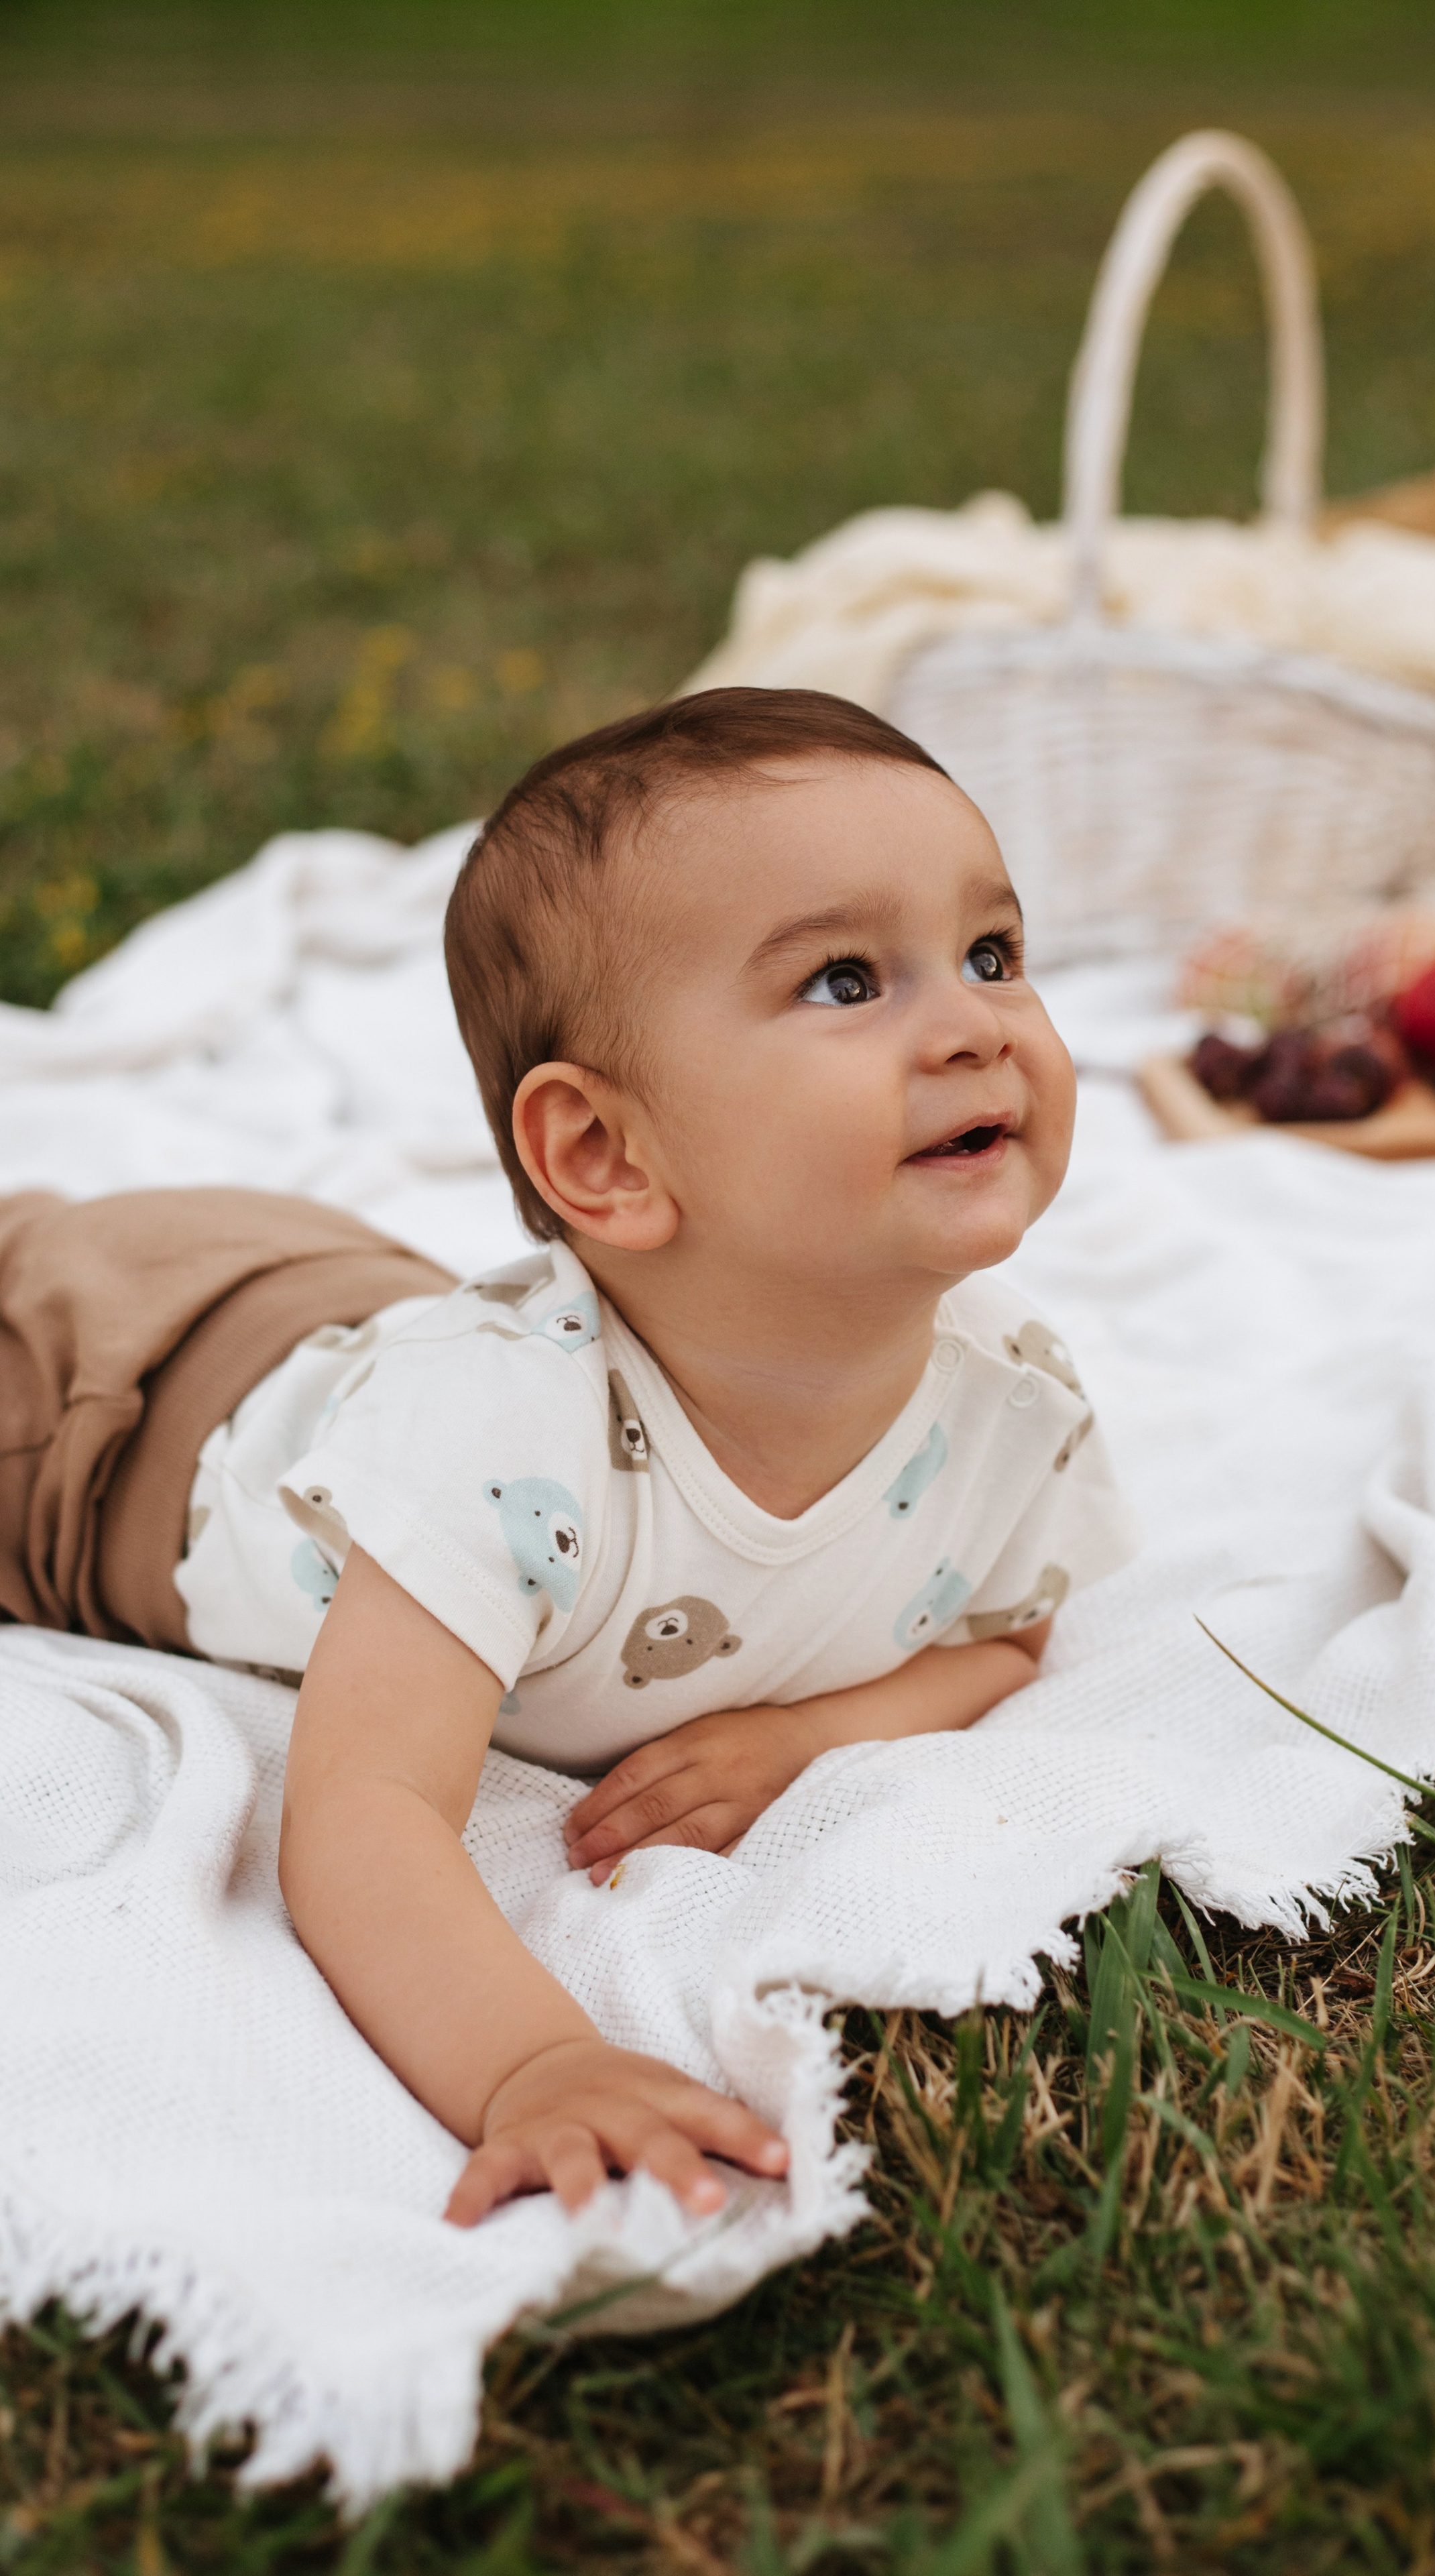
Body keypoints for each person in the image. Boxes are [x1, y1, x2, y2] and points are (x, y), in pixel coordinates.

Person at [0, 688, 1136, 2227]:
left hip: (345, 1300)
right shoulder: (491, 1434)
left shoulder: (1008, 1398)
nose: (972, 1024)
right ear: (601, 1156)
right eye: (847, 978)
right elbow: (364, 1812)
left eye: (991, 953)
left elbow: (1010, 1637)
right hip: (101, 1413)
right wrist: (532, 2061)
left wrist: (809, 1736)